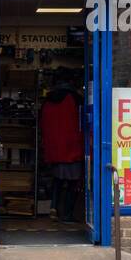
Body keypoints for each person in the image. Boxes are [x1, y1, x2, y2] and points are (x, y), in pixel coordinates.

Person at [40, 82, 85, 224]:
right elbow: (82, 122)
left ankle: (53, 208)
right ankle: (67, 214)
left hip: (55, 150)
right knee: (73, 183)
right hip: (73, 148)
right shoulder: (74, 99)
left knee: (58, 181)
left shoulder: (47, 102)